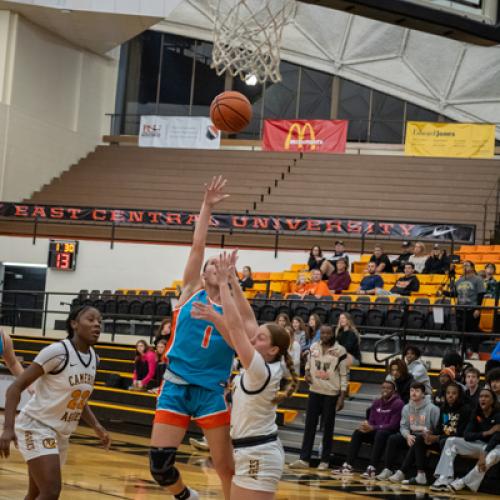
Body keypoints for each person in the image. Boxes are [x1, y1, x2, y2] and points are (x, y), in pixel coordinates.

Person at [150, 176, 236, 500]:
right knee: (159, 466)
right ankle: (186, 497)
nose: (213, 265)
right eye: (210, 264)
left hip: (210, 390)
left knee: (225, 468)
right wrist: (207, 206)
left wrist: (220, 313)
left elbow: (236, 342)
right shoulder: (189, 292)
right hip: (175, 383)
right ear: (202, 273)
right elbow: (198, 246)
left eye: (219, 264)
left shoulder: (232, 308)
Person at [192, 251, 299, 499]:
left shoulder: (261, 369)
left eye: (260, 338)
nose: (254, 338)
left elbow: (237, 327)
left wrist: (222, 288)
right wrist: (233, 280)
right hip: (249, 452)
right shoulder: (265, 361)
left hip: (258, 455)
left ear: (273, 349)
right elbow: (248, 319)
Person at [0, 306, 110, 500]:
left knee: (36, 494)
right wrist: (8, 429)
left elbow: (78, 398)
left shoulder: (94, 358)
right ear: (74, 324)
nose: (96, 325)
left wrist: (97, 426)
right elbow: (15, 388)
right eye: (91, 319)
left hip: (61, 432)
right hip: (36, 426)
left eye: (99, 321)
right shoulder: (57, 352)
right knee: (51, 491)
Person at [289, 325, 348, 471]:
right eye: (322, 333)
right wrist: (307, 373)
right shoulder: (314, 346)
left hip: (331, 394)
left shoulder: (340, 350)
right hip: (314, 391)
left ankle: (325, 460)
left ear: (333, 334)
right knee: (309, 425)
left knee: (327, 428)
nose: (325, 335)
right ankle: (304, 459)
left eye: (328, 333)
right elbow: (309, 363)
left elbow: (344, 374)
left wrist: (342, 396)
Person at [430, 388, 500, 493]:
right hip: (480, 445)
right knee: (451, 441)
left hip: (495, 446)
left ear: (493, 401)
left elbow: (496, 438)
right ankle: (445, 478)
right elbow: (467, 435)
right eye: (481, 396)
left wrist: (484, 453)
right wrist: (487, 433)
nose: (483, 399)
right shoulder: (476, 413)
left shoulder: (498, 414)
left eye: (486, 396)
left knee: (491, 456)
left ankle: (463, 482)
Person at [332, 381, 404, 478]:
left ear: (394, 391)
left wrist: (373, 427)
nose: (385, 390)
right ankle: (348, 466)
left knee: (380, 433)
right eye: (383, 388)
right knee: (358, 432)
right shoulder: (377, 402)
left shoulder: (398, 403)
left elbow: (393, 425)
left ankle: (372, 468)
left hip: (390, 433)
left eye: (388, 388)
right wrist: (365, 426)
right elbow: (371, 421)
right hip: (377, 431)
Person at [376, 382, 440, 484]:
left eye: (417, 391)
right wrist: (407, 436)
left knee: (418, 439)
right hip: (412, 437)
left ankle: (402, 472)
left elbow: (438, 428)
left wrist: (430, 439)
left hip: (426, 439)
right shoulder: (406, 408)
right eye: (412, 390)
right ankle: (387, 469)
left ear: (423, 394)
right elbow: (403, 427)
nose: (414, 393)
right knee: (393, 438)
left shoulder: (433, 409)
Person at [423, 383, 471, 461]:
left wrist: (437, 437)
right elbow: (439, 427)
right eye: (448, 393)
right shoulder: (444, 408)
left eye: (454, 393)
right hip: (443, 438)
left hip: (457, 441)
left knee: (444, 442)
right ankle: (419, 471)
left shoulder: (465, 409)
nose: (450, 395)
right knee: (419, 439)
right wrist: (430, 434)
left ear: (459, 395)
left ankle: (445, 471)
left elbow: (460, 433)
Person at [454, 261, 486, 359]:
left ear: (472, 267)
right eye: (463, 265)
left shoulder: (478, 279)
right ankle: (463, 350)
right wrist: (444, 292)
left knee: (473, 331)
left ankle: (475, 352)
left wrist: (478, 308)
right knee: (461, 331)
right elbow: (456, 294)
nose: (464, 267)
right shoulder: (459, 280)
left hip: (472, 309)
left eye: (467, 265)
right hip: (460, 309)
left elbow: (481, 295)